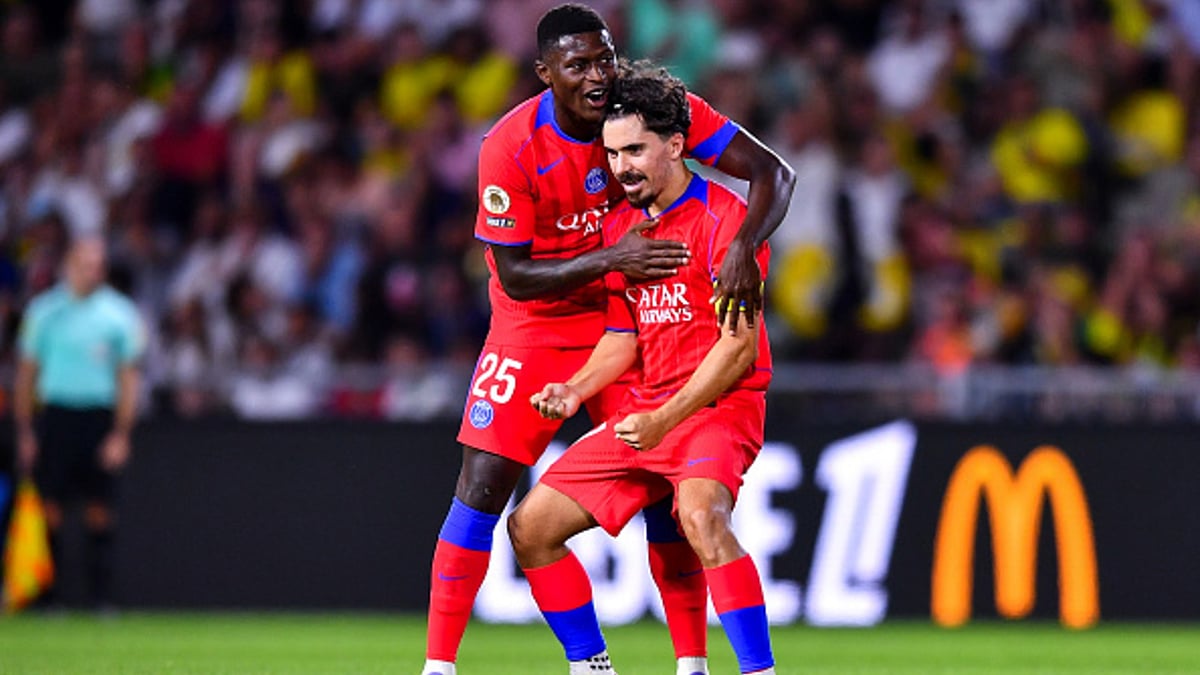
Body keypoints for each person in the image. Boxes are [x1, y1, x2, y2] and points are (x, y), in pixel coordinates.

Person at [421, 5, 794, 675]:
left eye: (604, 60)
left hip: (647, 339)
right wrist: (609, 265)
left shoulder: (655, 123)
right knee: (488, 492)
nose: (597, 77)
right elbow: (515, 275)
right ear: (545, 74)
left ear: (672, 143)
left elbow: (774, 173)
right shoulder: (510, 147)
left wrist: (743, 248)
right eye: (578, 66)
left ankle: (695, 663)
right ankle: (447, 665)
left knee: (677, 506)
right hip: (540, 319)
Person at [508, 60, 776, 675]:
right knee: (530, 529)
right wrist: (573, 390)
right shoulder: (623, 227)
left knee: (700, 517)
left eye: (634, 150)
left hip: (716, 408)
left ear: (676, 145)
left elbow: (737, 349)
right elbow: (622, 337)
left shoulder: (727, 222)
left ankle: (759, 671)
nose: (620, 167)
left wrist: (664, 419)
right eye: (612, 153)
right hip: (647, 409)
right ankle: (591, 665)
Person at [13, 237, 145, 611]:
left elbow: (128, 378)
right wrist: (25, 430)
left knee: (100, 508)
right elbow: (26, 375)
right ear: (69, 264)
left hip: (98, 417)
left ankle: (100, 598)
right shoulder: (44, 312)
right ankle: (48, 598)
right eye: (86, 262)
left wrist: (121, 433)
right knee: (49, 507)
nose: (94, 270)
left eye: (99, 263)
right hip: (56, 416)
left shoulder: (119, 314)